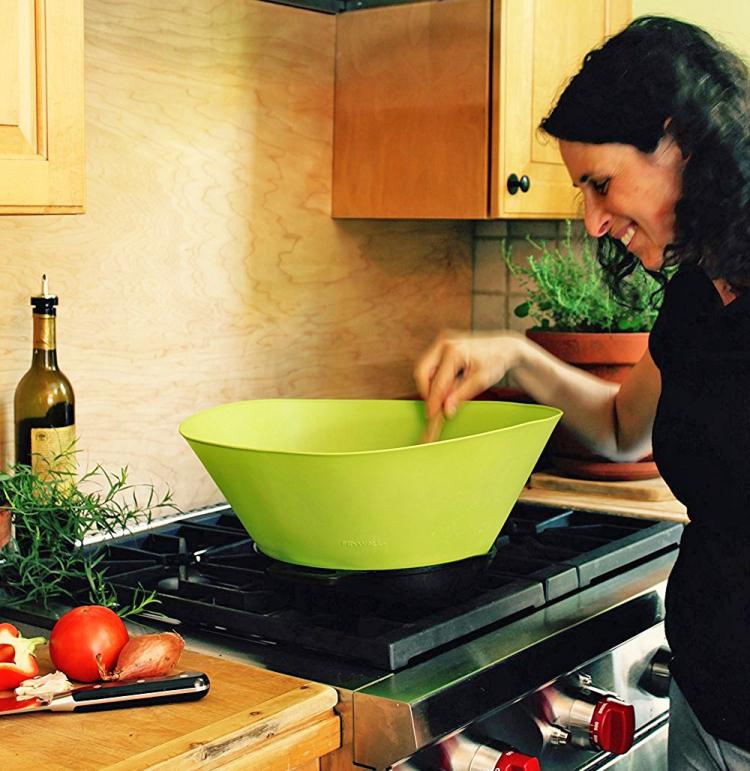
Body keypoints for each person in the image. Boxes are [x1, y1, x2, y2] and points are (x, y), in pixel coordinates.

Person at [414, 16, 750, 771]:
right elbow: (622, 425)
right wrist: (513, 355)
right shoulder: (697, 292)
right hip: (706, 702)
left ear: (680, 141)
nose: (595, 219)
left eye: (600, 182)